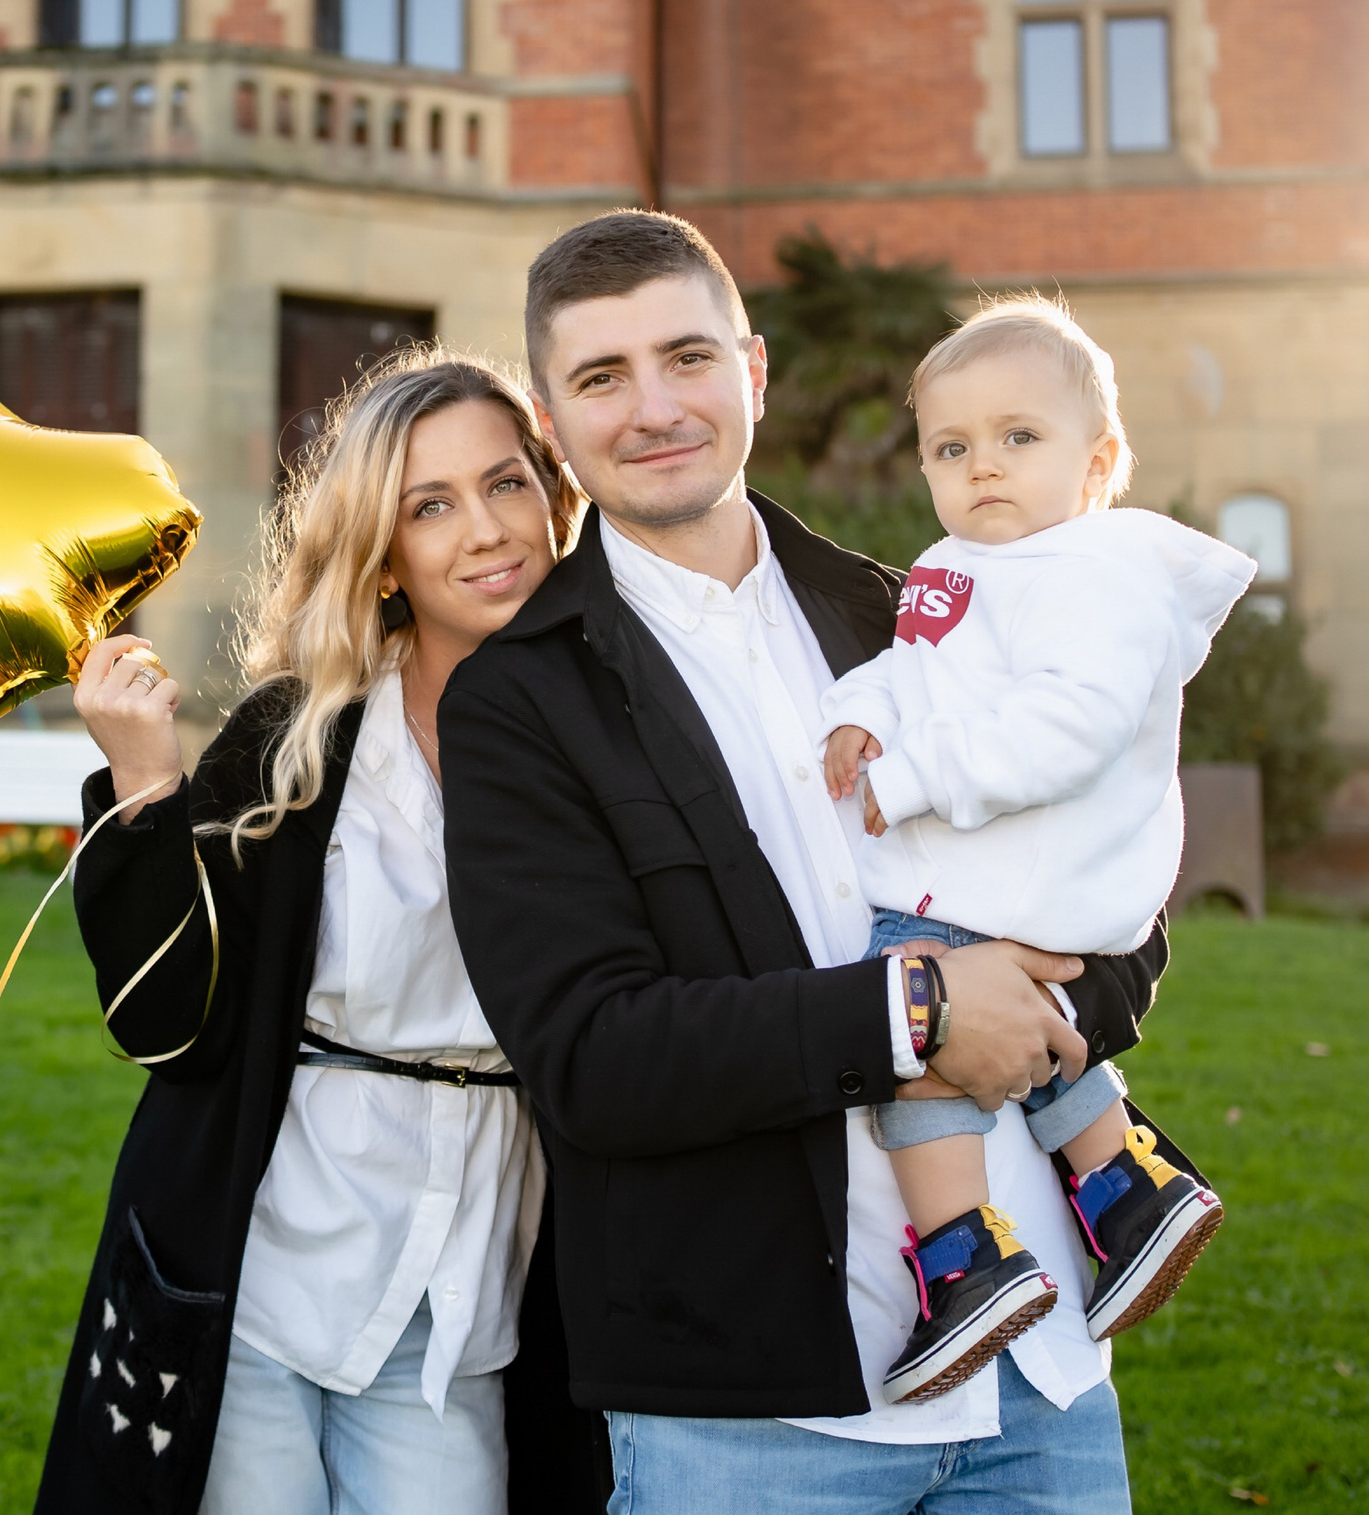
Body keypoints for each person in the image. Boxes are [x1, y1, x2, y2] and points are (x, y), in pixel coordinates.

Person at [441, 210, 1169, 1514]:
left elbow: (1114, 891)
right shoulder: (516, 703)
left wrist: (1042, 1010)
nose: (655, 407)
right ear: (552, 424)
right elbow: (592, 1056)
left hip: (1041, 1378)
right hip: (755, 1414)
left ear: (754, 370)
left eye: (688, 357)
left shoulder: (907, 611)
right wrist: (915, 1013)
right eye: (602, 377)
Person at [32, 350, 600, 1515]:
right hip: (266, 1271)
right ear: (382, 555)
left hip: (465, 1291)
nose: (485, 529)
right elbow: (162, 1023)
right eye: (429, 505)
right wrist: (144, 784)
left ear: (555, 495)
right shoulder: (300, 735)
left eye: (505, 482)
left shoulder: (614, 735)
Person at [815, 299, 1247, 1404]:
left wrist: (917, 775)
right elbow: (915, 668)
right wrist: (860, 715)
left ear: (1097, 463)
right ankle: (1124, 1192)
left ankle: (964, 1258)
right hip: (1002, 876)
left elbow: (1070, 725)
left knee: (910, 1026)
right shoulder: (958, 565)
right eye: (950, 448)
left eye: (1019, 436)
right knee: (1026, 1023)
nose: (984, 467)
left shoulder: (1093, 574)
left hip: (1028, 866)